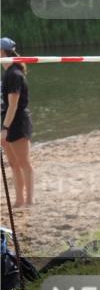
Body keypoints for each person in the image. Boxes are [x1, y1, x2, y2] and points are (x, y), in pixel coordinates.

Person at [1, 37, 34, 208]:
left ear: (2, 52)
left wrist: (5, 128)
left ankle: (29, 201)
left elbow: (13, 105)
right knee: (13, 164)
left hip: (17, 122)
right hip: (7, 121)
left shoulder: (14, 74)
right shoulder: (8, 73)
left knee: (23, 163)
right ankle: (19, 200)